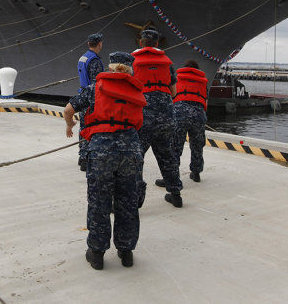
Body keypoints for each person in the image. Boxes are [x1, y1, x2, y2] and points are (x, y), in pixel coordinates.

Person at [64, 51, 146, 270]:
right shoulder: (137, 89)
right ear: (131, 69)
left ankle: (97, 253)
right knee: (127, 200)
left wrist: (70, 125)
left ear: (110, 67)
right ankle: (126, 251)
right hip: (130, 149)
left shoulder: (93, 89)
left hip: (101, 150)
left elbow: (68, 109)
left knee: (99, 201)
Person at [131, 29, 183, 208]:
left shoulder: (133, 62)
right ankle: (175, 194)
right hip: (166, 116)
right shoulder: (168, 64)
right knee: (167, 154)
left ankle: (137, 199)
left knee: (136, 157)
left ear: (140, 43)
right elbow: (174, 91)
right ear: (158, 44)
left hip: (143, 116)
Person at [172, 60, 209, 182]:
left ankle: (173, 175)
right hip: (198, 114)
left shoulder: (178, 78)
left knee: (176, 145)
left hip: (180, 113)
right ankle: (196, 172)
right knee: (197, 145)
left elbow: (172, 95)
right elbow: (205, 101)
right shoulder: (203, 82)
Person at [76, 33, 105, 171]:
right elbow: (96, 82)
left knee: (83, 127)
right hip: (91, 99)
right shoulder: (95, 61)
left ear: (89, 44)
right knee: (90, 127)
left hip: (82, 95)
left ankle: (82, 156)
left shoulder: (83, 57)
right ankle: (86, 159)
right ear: (99, 43)